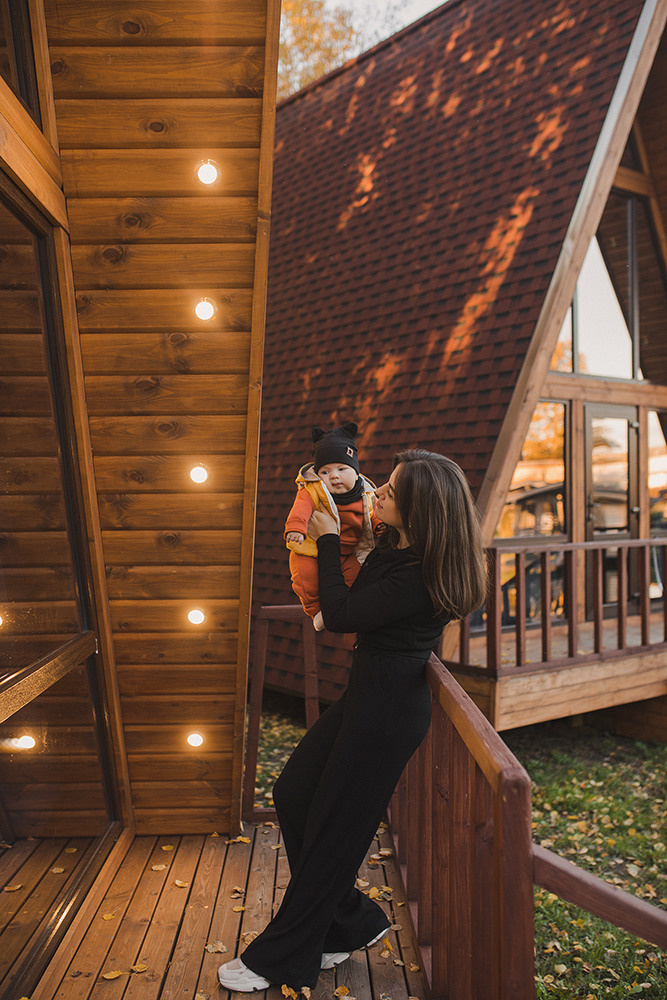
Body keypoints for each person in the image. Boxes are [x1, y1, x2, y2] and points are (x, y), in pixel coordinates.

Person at [218, 449, 487, 992]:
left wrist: (323, 534)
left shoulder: (419, 574)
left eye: (389, 489)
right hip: (367, 696)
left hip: (386, 714)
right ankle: (351, 922)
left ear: (418, 509)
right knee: (294, 793)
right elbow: (352, 592)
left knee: (336, 834)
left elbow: (339, 615)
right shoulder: (397, 548)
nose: (377, 490)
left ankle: (283, 957)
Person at [284, 422, 379, 629]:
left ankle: (340, 604)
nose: (334, 476)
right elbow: (301, 509)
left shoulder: (367, 493)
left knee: (357, 575)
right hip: (312, 549)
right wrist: (296, 528)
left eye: (341, 468)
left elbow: (373, 515)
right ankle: (315, 610)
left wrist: (380, 526)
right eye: (325, 472)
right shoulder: (313, 490)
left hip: (351, 551)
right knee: (305, 577)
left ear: (356, 472)